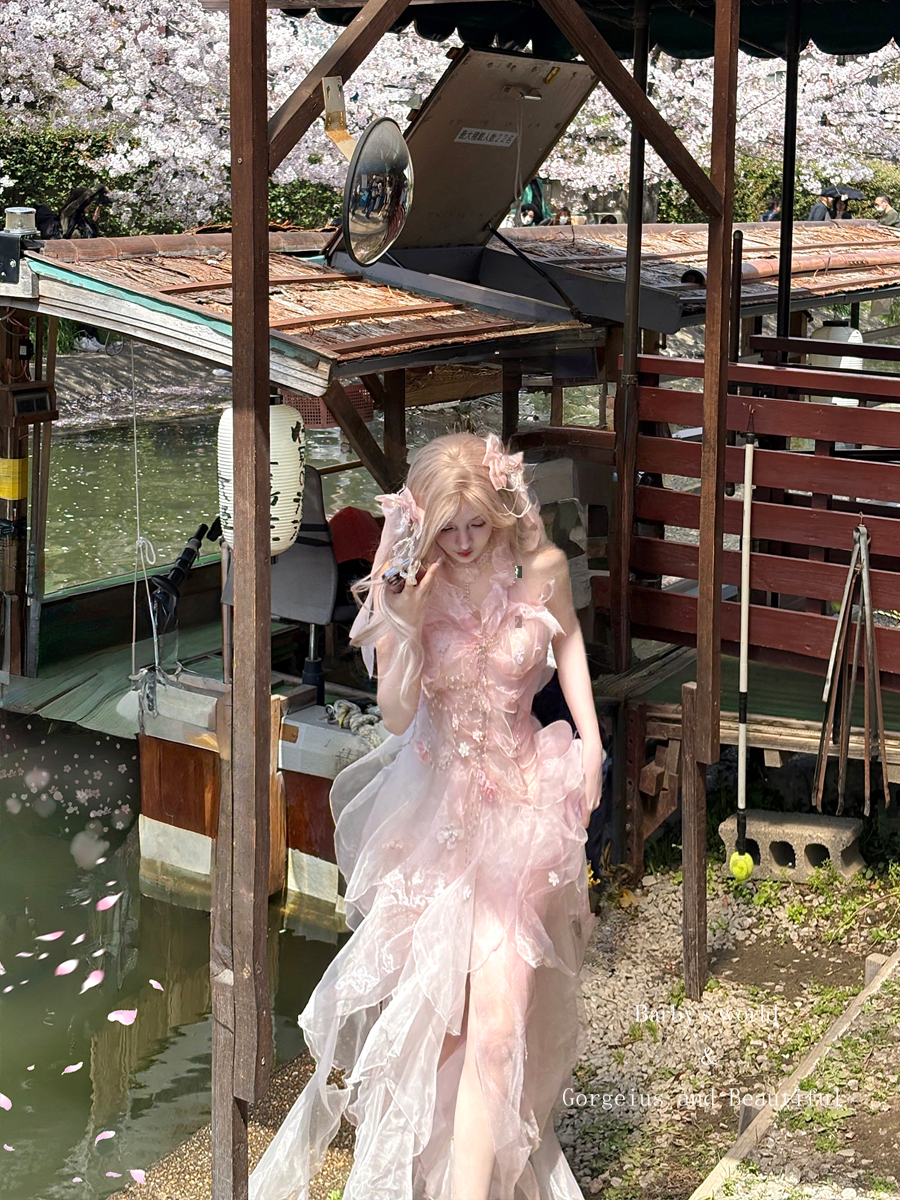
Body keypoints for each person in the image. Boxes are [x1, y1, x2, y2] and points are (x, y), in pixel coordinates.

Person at [250, 432, 603, 1200]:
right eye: (450, 528)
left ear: (498, 510)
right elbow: (397, 715)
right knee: (442, 1024)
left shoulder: (534, 568)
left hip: (525, 806)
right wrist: (406, 625)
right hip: (439, 816)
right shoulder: (409, 585)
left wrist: (592, 740)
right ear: (424, 523)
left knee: (500, 1026)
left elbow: (569, 638)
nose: (466, 542)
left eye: (477, 524)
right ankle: (436, 1174)